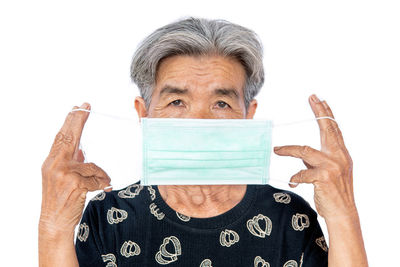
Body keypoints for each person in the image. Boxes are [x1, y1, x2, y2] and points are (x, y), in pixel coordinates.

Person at [39, 17, 368, 266]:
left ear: (247, 115)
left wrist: (343, 214)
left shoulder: (289, 218)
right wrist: (53, 223)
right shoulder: (110, 216)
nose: (199, 121)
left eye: (221, 103)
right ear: (144, 114)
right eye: (177, 102)